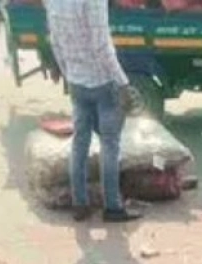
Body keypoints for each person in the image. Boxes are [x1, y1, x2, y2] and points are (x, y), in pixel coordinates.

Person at [47, 0, 141, 222]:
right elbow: (101, 46)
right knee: (110, 144)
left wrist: (68, 73)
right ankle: (113, 207)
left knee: (80, 142)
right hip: (103, 82)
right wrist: (123, 83)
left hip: (77, 81)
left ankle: (80, 204)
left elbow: (55, 42)